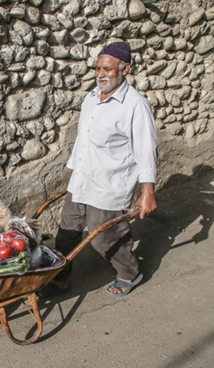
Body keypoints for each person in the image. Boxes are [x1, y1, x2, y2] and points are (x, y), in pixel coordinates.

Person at [52, 42, 159, 297]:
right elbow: (83, 140)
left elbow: (147, 149)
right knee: (67, 232)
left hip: (109, 184)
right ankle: (59, 277)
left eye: (108, 69)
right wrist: (73, 171)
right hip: (81, 180)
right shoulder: (91, 97)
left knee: (104, 238)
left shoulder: (134, 105)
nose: (101, 74)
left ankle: (129, 273)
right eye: (98, 68)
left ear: (125, 69)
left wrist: (148, 192)